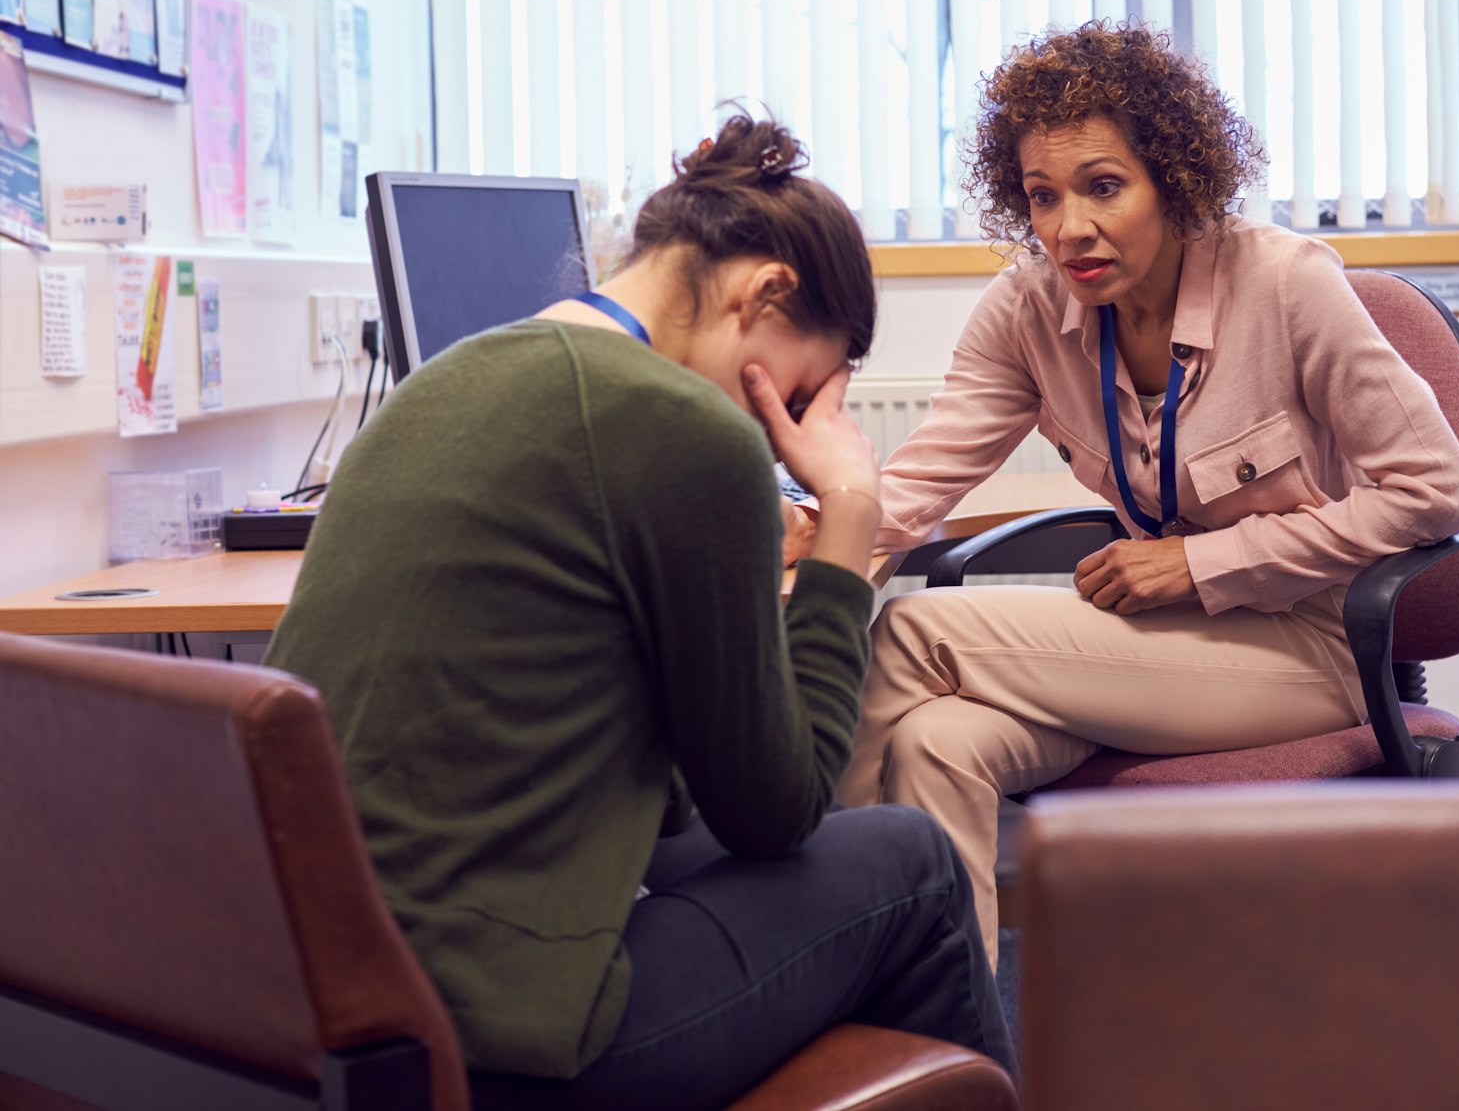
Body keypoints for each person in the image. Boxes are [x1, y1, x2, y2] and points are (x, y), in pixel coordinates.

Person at [266, 114, 1015, 1109]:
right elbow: (777, 812)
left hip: (311, 1003)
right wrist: (848, 518)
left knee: (730, 840)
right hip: (496, 1042)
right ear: (766, 291)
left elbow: (647, 780)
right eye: (790, 396)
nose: (778, 435)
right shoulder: (681, 429)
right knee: (911, 861)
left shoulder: (444, 382)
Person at [794, 22, 1459, 961]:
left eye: (1103, 186)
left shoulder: (1283, 284)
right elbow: (920, 477)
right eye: (1042, 196)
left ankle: (808, 938)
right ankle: (949, 1046)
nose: (1068, 227)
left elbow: (1438, 491)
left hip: (1310, 646)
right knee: (936, 744)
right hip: (1155, 653)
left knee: (914, 630)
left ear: (1175, 180)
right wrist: (811, 525)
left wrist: (1204, 560)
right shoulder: (1031, 310)